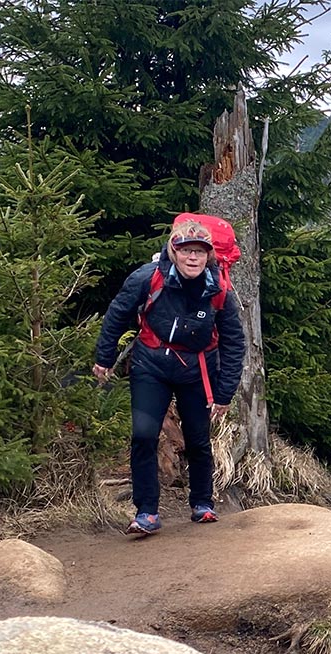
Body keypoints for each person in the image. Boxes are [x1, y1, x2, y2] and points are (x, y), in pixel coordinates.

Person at [93, 213, 246, 535]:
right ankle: (146, 511)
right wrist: (104, 359)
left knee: (198, 440)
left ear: (209, 255)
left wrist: (224, 393)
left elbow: (234, 341)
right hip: (151, 366)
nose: (193, 257)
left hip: (197, 370)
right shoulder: (147, 278)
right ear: (173, 251)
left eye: (200, 251)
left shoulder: (218, 290)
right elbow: (116, 316)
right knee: (144, 437)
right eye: (186, 250)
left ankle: (202, 502)